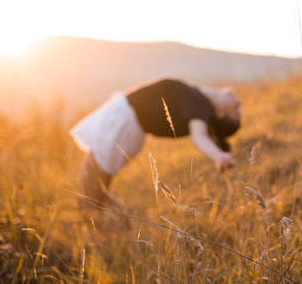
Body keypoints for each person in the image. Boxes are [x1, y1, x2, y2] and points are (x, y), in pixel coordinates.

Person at [70, 78, 241, 229]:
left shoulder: (201, 105)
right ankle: (118, 230)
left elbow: (199, 136)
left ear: (221, 113)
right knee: (92, 196)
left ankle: (114, 236)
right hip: (124, 122)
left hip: (121, 125)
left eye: (237, 109)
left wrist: (217, 155)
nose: (238, 102)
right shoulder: (199, 100)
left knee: (88, 200)